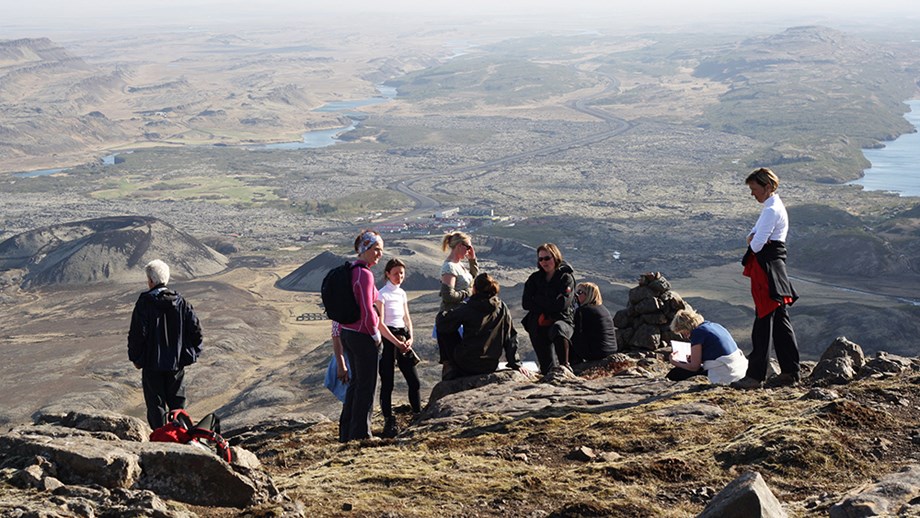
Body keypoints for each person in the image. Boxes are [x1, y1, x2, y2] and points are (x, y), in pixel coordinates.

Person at [732, 167, 801, 390]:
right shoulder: (773, 207)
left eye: (754, 189)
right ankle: (790, 372)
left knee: (763, 323)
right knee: (780, 321)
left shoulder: (771, 211)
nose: (752, 194)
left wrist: (753, 240)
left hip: (766, 270)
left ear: (768, 187)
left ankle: (755, 376)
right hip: (774, 267)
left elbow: (755, 243)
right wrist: (753, 238)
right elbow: (753, 237)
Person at [338, 229, 402, 442]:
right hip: (362, 336)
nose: (379, 254)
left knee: (356, 385)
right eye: (375, 249)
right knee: (367, 387)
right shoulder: (364, 274)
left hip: (348, 333)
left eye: (381, 250)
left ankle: (347, 432)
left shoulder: (351, 270)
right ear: (364, 249)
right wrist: (376, 336)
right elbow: (367, 310)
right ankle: (361, 434)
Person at [128, 259, 203, 430]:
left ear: (151, 281)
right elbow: (196, 331)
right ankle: (181, 438)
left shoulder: (145, 303)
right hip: (176, 365)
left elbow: (137, 334)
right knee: (177, 405)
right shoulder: (181, 303)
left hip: (152, 365)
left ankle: (161, 441)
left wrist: (137, 359)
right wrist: (189, 355)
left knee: (156, 407)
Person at [437, 273, 529, 379]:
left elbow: (442, 323)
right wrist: (515, 363)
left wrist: (444, 311)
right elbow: (510, 336)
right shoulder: (502, 306)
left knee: (444, 325)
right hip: (490, 365)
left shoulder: (469, 307)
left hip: (466, 364)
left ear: (474, 289)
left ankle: (449, 366)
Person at [375, 258, 420, 438]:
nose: (399, 276)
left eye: (401, 273)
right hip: (388, 340)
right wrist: (395, 342)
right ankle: (388, 421)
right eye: (395, 273)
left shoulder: (401, 293)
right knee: (388, 383)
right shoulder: (381, 294)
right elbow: (379, 323)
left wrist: (411, 338)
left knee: (414, 381)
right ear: (387, 274)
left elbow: (407, 318)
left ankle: (417, 415)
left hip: (403, 336)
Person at [521, 243, 576, 375]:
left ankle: (565, 367)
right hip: (539, 324)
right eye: (540, 259)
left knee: (558, 328)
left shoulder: (566, 278)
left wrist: (538, 300)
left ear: (555, 257)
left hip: (562, 320)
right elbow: (526, 303)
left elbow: (562, 304)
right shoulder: (534, 279)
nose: (544, 262)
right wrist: (551, 302)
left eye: (547, 258)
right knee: (547, 369)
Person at [435, 231, 478, 379]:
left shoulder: (459, 265)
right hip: (451, 319)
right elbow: (448, 296)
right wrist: (468, 292)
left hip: (461, 317)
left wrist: (473, 260)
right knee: (454, 361)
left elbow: (472, 278)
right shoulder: (449, 267)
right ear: (460, 245)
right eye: (468, 247)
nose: (469, 250)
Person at [667, 308, 748, 385]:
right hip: (739, 369)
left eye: (683, 333)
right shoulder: (714, 325)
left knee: (675, 373)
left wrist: (674, 361)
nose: (685, 336)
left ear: (686, 327)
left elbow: (694, 367)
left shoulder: (697, 333)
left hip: (726, 374)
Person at [571, 282, 618, 364]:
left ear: (589, 295)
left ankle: (573, 363)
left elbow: (577, 332)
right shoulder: (603, 309)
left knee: (565, 334)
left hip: (596, 353)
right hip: (611, 350)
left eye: (580, 292)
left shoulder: (583, 310)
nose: (576, 295)